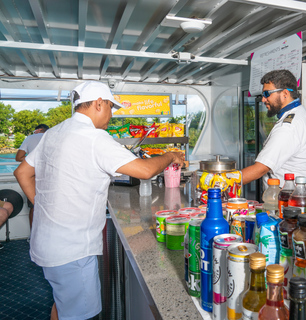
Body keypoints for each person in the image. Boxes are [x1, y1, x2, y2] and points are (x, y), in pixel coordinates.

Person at [14, 81, 184, 320]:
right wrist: (170, 155)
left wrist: (42, 206)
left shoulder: (53, 133)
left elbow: (22, 173)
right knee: (82, 315)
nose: (111, 115)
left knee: (63, 304)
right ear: (99, 103)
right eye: (111, 108)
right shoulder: (95, 138)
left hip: (46, 242)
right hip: (72, 252)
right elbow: (145, 170)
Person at [241, 69, 306, 190]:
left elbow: (261, 168)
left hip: (291, 199)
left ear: (285, 94)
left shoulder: (288, 127)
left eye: (267, 94)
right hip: (298, 192)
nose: (263, 99)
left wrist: (224, 181)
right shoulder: (299, 113)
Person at [16, 123, 49, 232]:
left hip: (35, 176)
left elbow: (19, 157)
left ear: (39, 130)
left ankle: (33, 236)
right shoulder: (53, 136)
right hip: (52, 175)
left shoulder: (30, 138)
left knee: (35, 207)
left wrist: (31, 159)